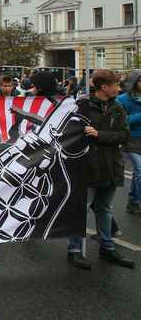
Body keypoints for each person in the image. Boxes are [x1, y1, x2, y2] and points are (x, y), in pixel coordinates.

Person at [67, 69, 135, 269]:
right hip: (88, 166)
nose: (119, 88)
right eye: (116, 85)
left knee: (105, 209)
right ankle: (75, 250)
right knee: (81, 209)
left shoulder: (117, 108)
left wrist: (99, 134)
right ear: (104, 87)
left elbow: (124, 135)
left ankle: (107, 247)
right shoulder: (83, 107)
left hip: (110, 166)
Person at [116, 70, 141, 217]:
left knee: (138, 173)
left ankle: (133, 201)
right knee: (139, 171)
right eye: (139, 81)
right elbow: (122, 121)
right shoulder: (123, 99)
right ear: (133, 83)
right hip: (131, 139)